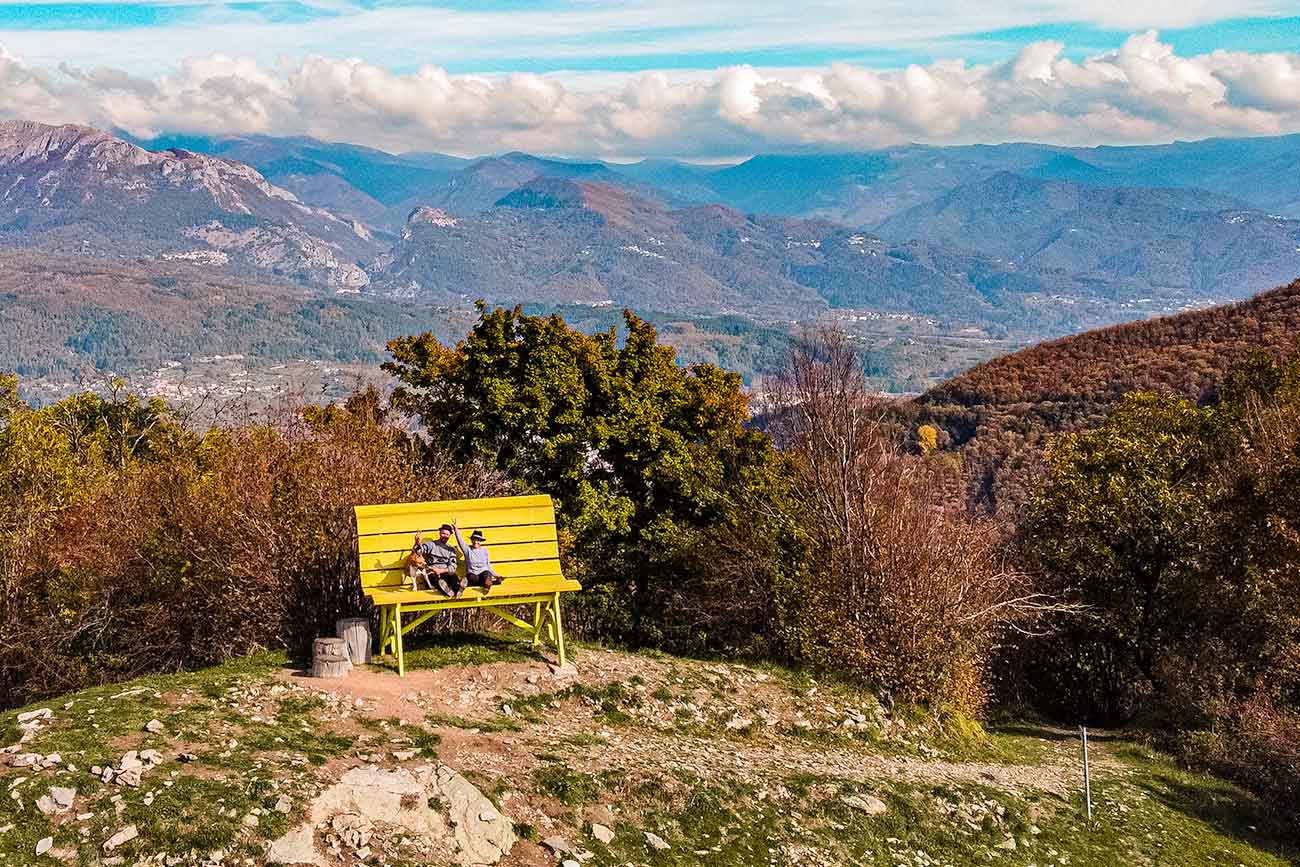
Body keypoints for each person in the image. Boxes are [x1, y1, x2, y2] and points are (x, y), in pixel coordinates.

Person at [412, 523, 462, 597]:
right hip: (432, 572)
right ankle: (449, 590)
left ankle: (457, 589)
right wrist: (417, 542)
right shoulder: (431, 545)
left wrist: (441, 570)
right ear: (440, 533)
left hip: (445, 572)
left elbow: (453, 567)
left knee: (453, 577)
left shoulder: (451, 549)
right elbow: (418, 551)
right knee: (435, 579)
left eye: (447, 534)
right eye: (443, 533)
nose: (445, 536)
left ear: (450, 536)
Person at [454, 518, 501, 593]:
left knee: (487, 574)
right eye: (474, 539)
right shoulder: (467, 550)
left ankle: (488, 584)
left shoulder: (485, 551)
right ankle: (486, 584)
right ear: (471, 540)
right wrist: (456, 529)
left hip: (484, 573)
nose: (476, 542)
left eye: (478, 540)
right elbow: (460, 541)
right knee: (471, 577)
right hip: (473, 574)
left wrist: (496, 575)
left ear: (481, 541)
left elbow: (488, 565)